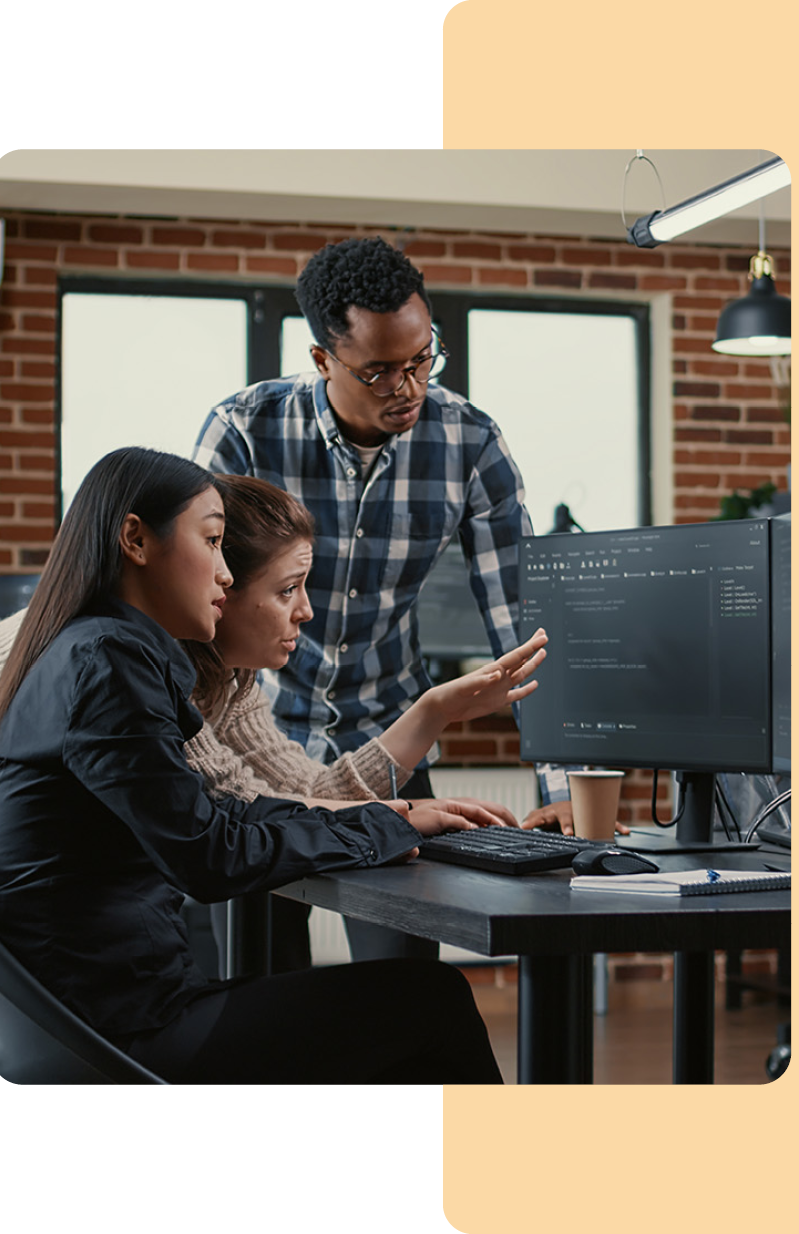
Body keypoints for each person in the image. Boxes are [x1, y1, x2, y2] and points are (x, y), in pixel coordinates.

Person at [0, 446, 506, 1083]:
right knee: (434, 1002)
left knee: (399, 1008)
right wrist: (385, 827)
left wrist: (388, 817)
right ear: (135, 540)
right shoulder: (107, 663)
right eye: (211, 542)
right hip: (119, 1032)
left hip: (75, 1017)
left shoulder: (95, 648)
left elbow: (224, 811)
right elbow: (211, 854)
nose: (226, 574)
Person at [192, 236, 579, 962]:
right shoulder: (245, 430)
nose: (407, 387)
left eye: (421, 359)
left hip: (389, 737)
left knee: (404, 983)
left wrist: (559, 782)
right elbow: (195, 603)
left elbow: (518, 618)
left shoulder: (469, 442)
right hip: (255, 748)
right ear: (322, 361)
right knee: (260, 983)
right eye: (378, 371)